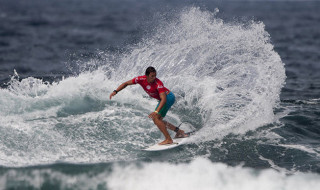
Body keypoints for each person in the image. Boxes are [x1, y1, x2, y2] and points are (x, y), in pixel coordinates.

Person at [109, 66, 188, 145]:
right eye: (152, 76)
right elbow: (126, 83)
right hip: (164, 99)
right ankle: (179, 132)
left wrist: (156, 111)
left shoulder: (158, 83)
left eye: (155, 76)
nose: (154, 78)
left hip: (168, 97)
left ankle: (168, 139)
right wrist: (115, 91)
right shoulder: (141, 79)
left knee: (156, 118)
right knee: (158, 120)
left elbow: (164, 99)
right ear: (146, 76)